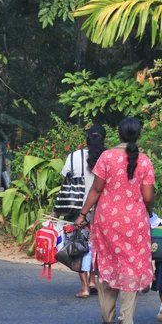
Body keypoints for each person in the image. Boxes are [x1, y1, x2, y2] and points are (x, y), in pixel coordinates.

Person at [76, 118, 155, 324]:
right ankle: (127, 319)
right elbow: (147, 197)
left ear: (118, 135)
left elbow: (96, 190)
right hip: (135, 222)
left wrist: (83, 214)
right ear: (138, 136)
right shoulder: (145, 161)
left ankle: (107, 316)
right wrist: (148, 213)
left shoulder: (106, 157)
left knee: (106, 263)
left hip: (106, 219)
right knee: (131, 264)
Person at [57, 124, 107, 298]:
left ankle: (85, 286)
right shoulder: (107, 158)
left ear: (86, 138)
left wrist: (57, 210)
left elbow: (64, 183)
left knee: (79, 244)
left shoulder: (73, 157)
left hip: (77, 208)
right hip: (100, 209)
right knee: (95, 245)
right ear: (104, 139)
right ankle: (93, 279)